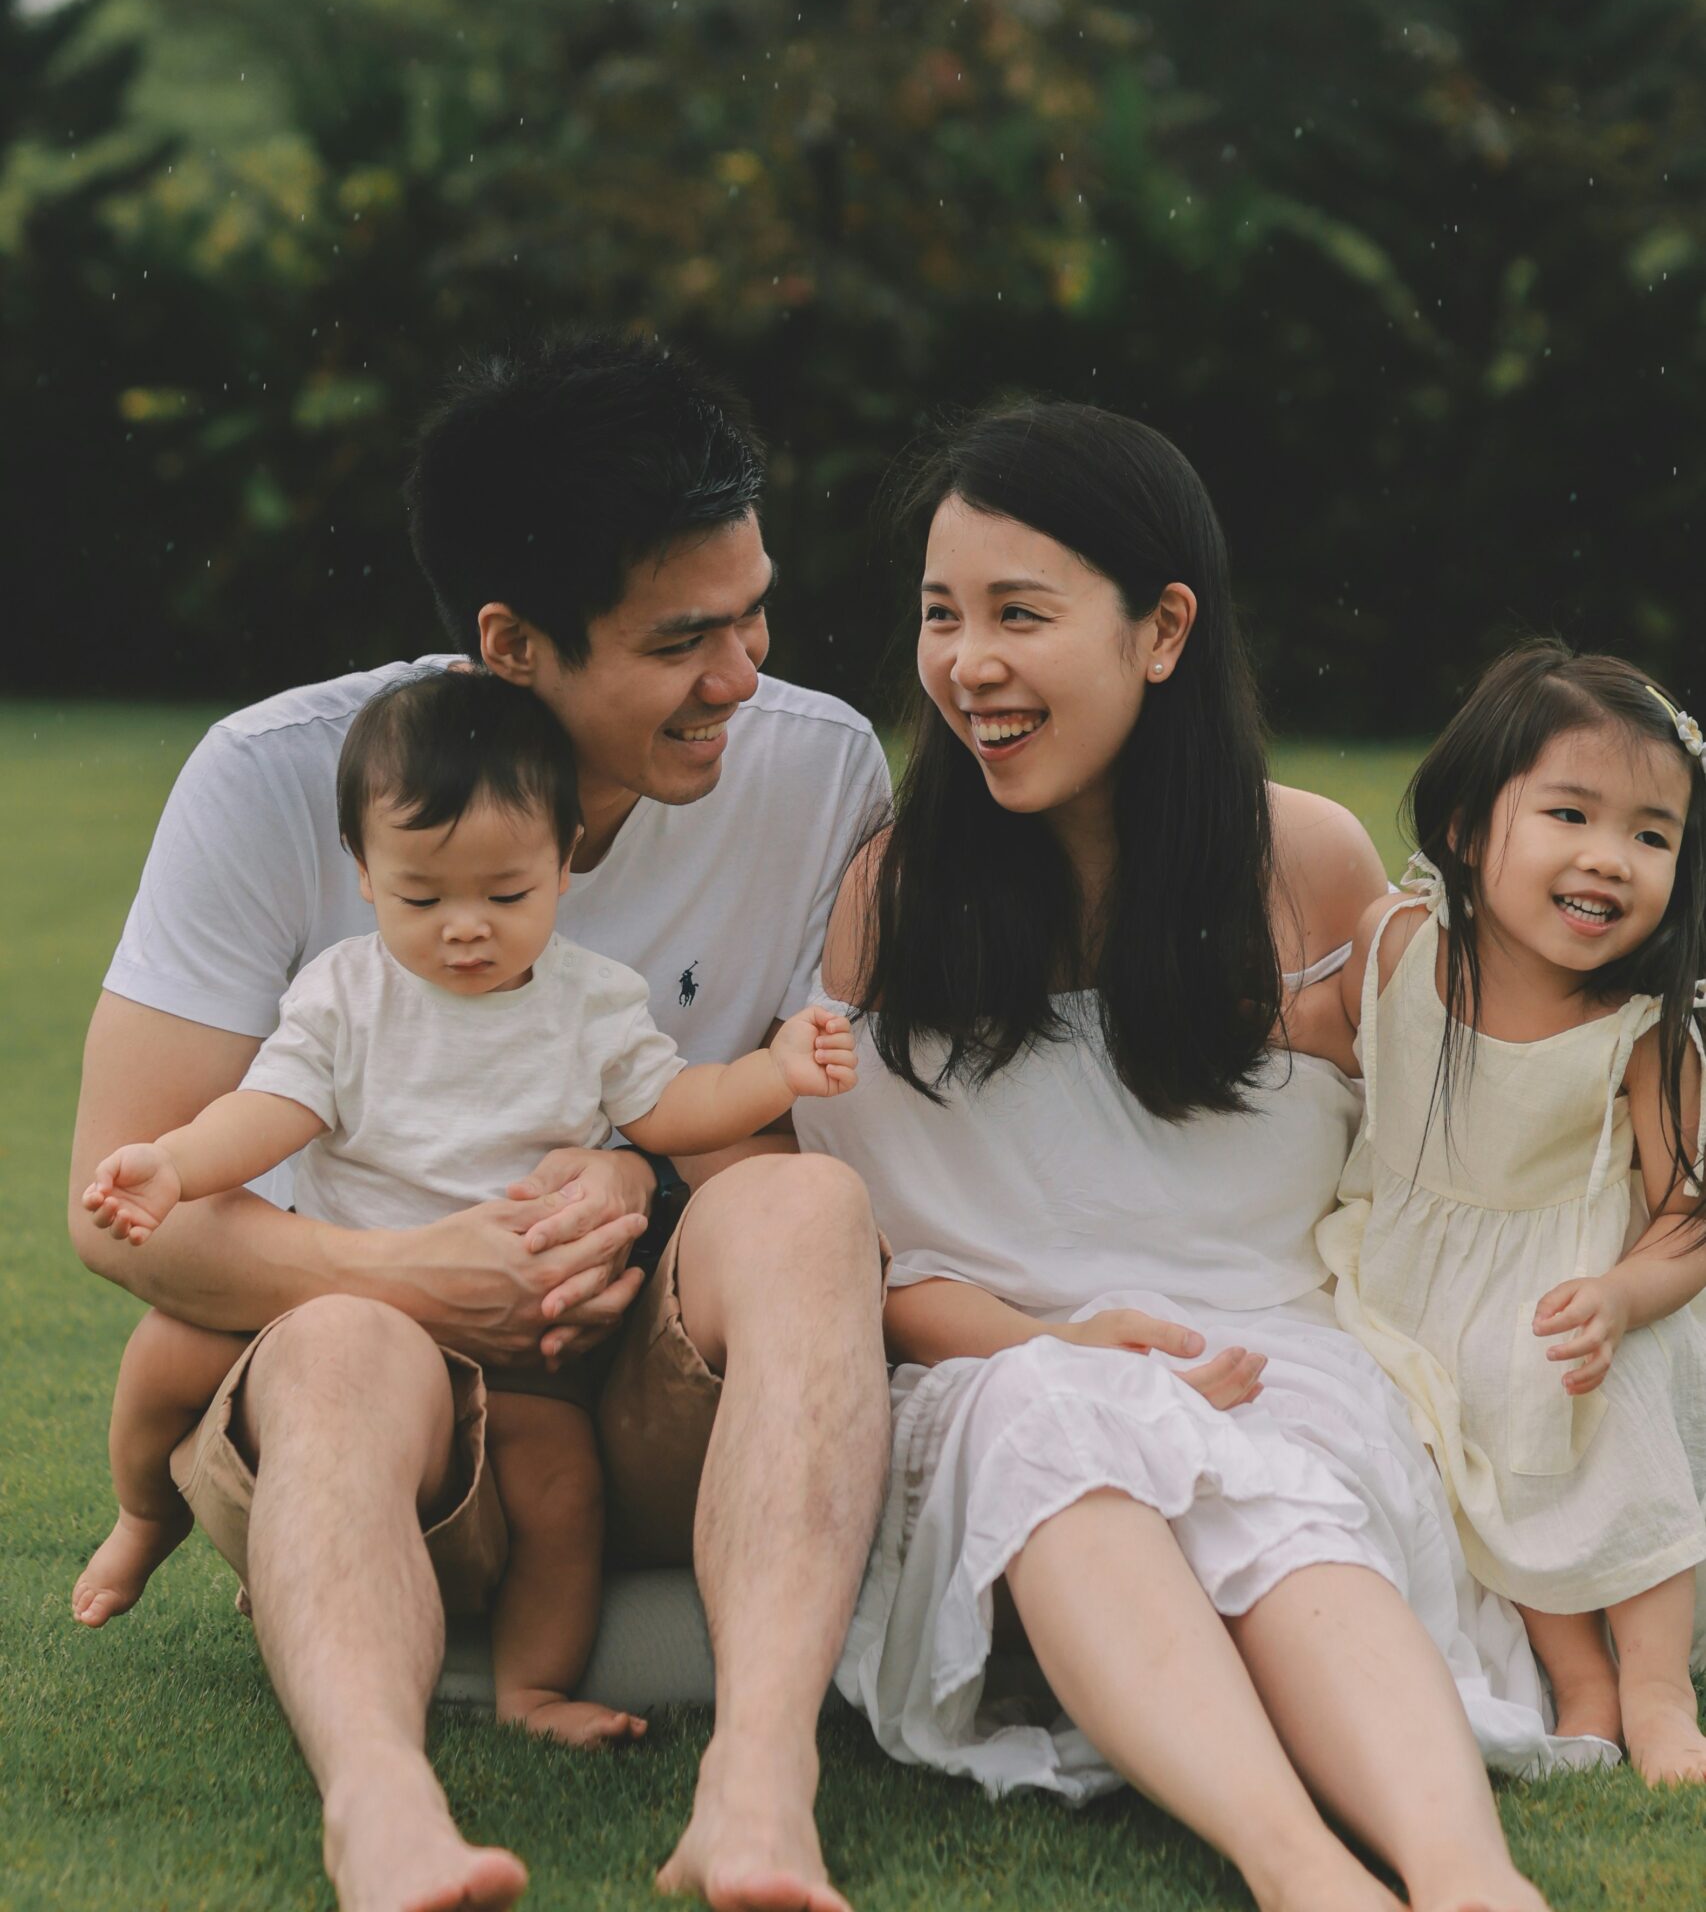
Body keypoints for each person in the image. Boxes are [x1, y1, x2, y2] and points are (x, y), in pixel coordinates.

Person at [67, 335, 892, 1912]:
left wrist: (628, 1164)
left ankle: (759, 1784)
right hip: (376, 1431)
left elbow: (802, 1146)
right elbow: (131, 1206)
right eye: (682, 641)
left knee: (808, 1216)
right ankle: (381, 1816)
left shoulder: (817, 767)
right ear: (511, 643)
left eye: (753, 614)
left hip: (622, 1406)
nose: (742, 677)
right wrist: (405, 1277)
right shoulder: (273, 779)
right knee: (339, 1343)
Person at [799, 400, 1578, 1912]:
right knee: (1056, 1417)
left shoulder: (1302, 870)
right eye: (939, 615)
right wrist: (1056, 1336)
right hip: (993, 1377)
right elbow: (867, 1267)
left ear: (1162, 630)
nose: (968, 665)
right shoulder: (897, 898)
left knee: (1261, 1454)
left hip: (1282, 1362)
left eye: (1018, 614)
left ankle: (1466, 1879)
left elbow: (1454, 1165)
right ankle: (1301, 1876)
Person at [76, 668, 860, 1754]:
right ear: (361, 873)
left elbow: (676, 1107)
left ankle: (530, 1687)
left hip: (531, 1354)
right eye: (422, 897)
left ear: (562, 865)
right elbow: (268, 1111)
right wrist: (172, 1162)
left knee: (562, 1490)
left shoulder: (590, 1004)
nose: (464, 930)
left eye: (505, 895)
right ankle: (143, 1519)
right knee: (163, 1354)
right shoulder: (345, 999)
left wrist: (774, 1073)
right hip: (361, 1322)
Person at [1317, 644, 1706, 1782]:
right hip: (1419, 1289)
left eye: (1649, 834)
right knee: (1472, 1438)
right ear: (1465, 830)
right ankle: (1573, 1680)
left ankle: (1648, 1681)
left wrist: (1621, 1294)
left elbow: (1688, 1214)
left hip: (1583, 1292)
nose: (1608, 858)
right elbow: (1295, 1035)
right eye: (1570, 812)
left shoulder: (1639, 1031)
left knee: (1606, 1406)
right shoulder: (1390, 953)